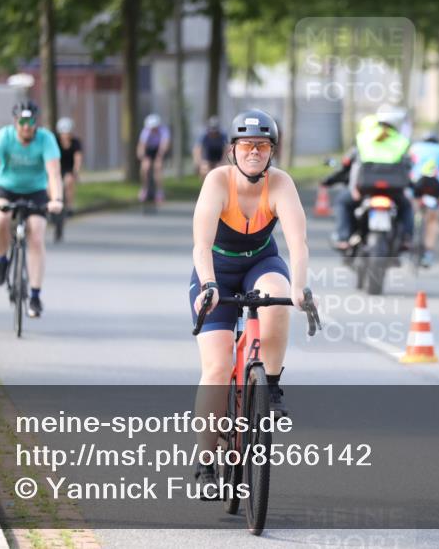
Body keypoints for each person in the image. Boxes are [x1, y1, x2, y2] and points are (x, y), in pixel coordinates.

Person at [189, 109, 311, 493]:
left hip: (261, 261)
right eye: (246, 145)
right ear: (233, 150)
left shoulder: (280, 183)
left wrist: (299, 288)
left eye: (262, 145)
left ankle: (270, 383)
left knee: (277, 298)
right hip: (217, 270)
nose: (254, 152)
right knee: (217, 367)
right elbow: (201, 246)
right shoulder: (217, 181)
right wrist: (209, 285)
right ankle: (205, 462)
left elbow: (298, 244)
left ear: (272, 151)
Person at [0, 102, 63, 318]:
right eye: (23, 122)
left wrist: (56, 199)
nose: (27, 126)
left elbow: (53, 173)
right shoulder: (3, 137)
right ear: (15, 122)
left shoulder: (46, 139)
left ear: (36, 123)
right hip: (6, 188)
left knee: (36, 235)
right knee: (0, 219)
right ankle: (2, 261)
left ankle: (35, 296)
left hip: (36, 190)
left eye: (31, 121)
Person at [333, 106, 413, 251]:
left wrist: (354, 188)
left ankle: (343, 237)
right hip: (393, 190)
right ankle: (406, 239)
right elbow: (408, 165)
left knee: (342, 202)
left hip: (365, 188)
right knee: (406, 206)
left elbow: (354, 164)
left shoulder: (363, 138)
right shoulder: (402, 141)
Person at [409, 131, 439, 267]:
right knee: (433, 220)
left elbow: (408, 167)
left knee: (413, 210)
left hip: (417, 183)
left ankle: (412, 234)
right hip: (435, 185)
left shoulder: (415, 148)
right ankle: (428, 253)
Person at [137, 113, 171, 204]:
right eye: (151, 128)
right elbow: (142, 145)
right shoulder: (145, 131)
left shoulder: (163, 130)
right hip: (149, 150)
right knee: (145, 167)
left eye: (154, 128)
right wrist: (143, 157)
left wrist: (159, 157)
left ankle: (159, 191)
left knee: (158, 168)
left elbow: (164, 145)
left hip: (159, 149)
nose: (153, 130)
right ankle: (144, 189)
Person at [55, 117, 83, 215]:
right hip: (57, 168)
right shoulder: (55, 142)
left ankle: (70, 206)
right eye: (63, 133)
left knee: (69, 182)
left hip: (69, 169)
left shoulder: (75, 143)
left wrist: (76, 171)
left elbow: (78, 158)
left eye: (67, 132)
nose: (65, 135)